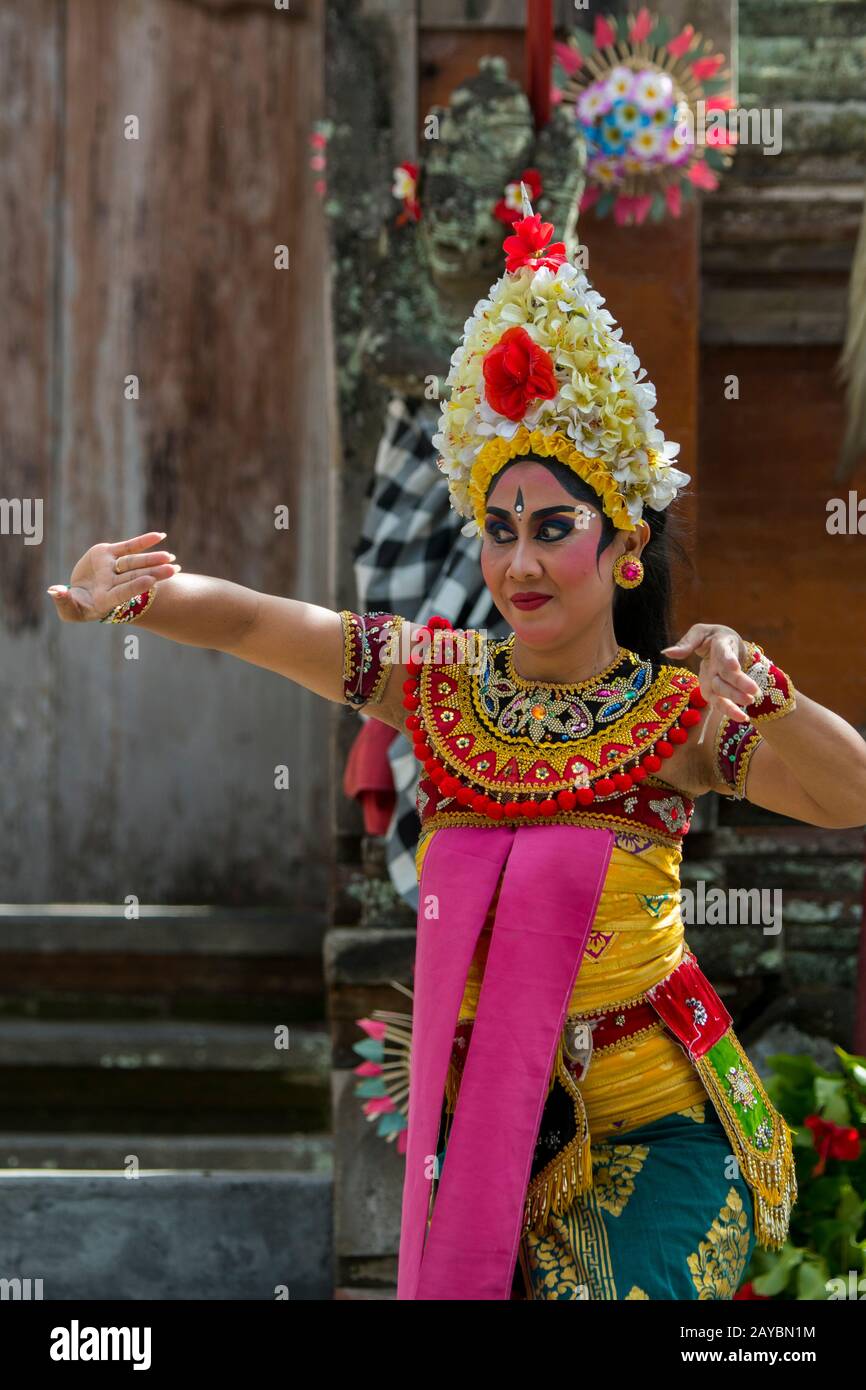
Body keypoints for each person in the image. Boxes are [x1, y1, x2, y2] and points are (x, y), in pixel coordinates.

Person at [48, 190, 866, 1302]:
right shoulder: (437, 685)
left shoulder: (670, 714)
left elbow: (845, 793)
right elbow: (255, 622)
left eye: (551, 529)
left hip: (662, 1128)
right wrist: (134, 597)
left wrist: (758, 687)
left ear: (622, 543)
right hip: (492, 1133)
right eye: (496, 528)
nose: (518, 564)